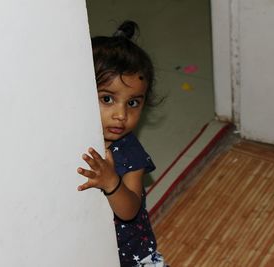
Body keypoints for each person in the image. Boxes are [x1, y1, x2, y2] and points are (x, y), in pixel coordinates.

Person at [76, 20, 168, 267]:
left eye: (133, 103)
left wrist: (111, 182)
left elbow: (129, 211)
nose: (121, 115)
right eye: (107, 99)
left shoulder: (130, 151)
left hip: (134, 257)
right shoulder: (73, 139)